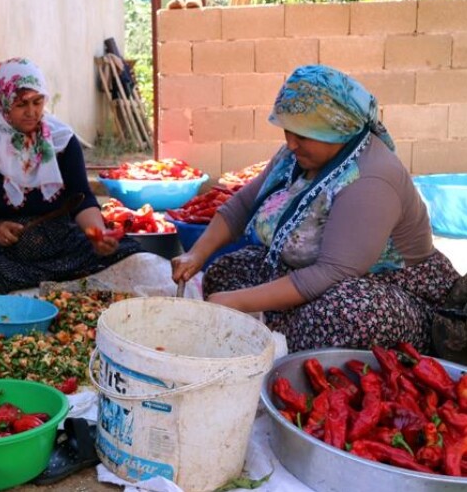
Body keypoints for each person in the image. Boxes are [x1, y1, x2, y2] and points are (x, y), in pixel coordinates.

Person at [171, 64, 460, 353]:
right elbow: (244, 204)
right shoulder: (296, 154)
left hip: (383, 290)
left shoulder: (371, 177)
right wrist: (197, 254)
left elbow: (332, 272)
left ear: (338, 129)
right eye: (288, 131)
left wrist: (238, 301)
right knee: (226, 271)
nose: (290, 143)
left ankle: (288, 344)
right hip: (314, 275)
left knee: (341, 317)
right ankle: (284, 335)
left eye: (303, 135)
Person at [0, 58, 141, 300]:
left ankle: (30, 285)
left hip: (56, 242)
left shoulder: (62, 141)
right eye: (21, 104)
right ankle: (56, 283)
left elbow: (82, 198)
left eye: (37, 101)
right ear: (2, 103)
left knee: (132, 254)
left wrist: (97, 234)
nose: (32, 112)